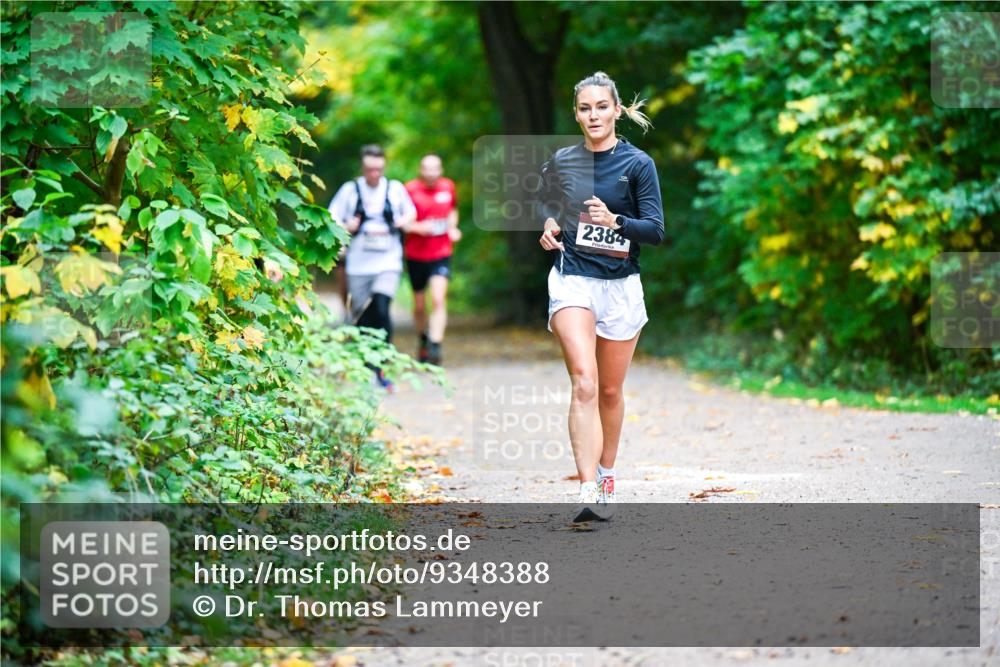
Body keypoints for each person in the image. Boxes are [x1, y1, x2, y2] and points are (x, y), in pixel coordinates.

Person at [538, 72, 664, 521]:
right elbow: (545, 201)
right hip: (573, 278)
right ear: (577, 114)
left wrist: (617, 223)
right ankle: (586, 488)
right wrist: (549, 225)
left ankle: (608, 471)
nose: (593, 115)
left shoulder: (637, 164)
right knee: (585, 383)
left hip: (621, 285)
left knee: (610, 390)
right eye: (585, 108)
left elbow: (655, 229)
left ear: (616, 111)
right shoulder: (562, 161)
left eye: (601, 107)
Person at [328, 144, 417, 391]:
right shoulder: (350, 190)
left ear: (384, 166)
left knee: (381, 305)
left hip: (388, 261)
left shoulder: (395, 189)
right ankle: (366, 368)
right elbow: (330, 218)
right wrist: (347, 225)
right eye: (369, 169)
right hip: (358, 264)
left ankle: (383, 367)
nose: (374, 174)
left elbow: (412, 214)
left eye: (378, 169)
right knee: (363, 315)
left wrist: (401, 221)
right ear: (363, 168)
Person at [404, 154, 461, 364]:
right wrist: (420, 228)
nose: (431, 173)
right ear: (420, 170)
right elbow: (403, 222)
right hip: (416, 254)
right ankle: (422, 340)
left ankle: (436, 346)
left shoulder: (448, 187)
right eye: (427, 169)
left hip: (441, 253)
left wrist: (453, 227)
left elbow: (453, 210)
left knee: (438, 298)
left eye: (435, 169)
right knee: (419, 305)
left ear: (441, 170)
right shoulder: (409, 190)